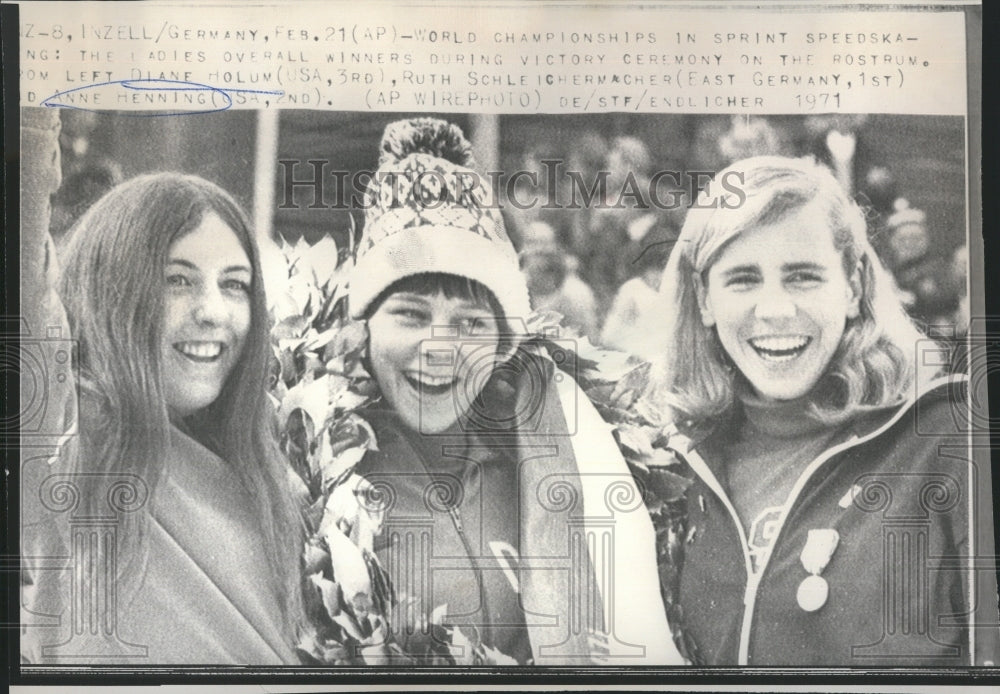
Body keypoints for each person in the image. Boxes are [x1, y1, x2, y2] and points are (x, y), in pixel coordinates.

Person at [340, 118, 681, 665]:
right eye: (410, 314)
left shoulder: (548, 445)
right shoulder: (323, 470)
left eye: (471, 323)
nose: (440, 348)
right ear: (362, 325)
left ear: (504, 342)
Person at [650, 155, 998, 665]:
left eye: (803, 276)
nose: (774, 309)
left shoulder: (951, 439)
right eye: (743, 279)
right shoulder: (670, 461)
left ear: (853, 287)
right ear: (704, 299)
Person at [21, 173, 304, 664]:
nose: (212, 311)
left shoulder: (265, 464)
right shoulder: (66, 430)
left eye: (235, 285)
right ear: (110, 289)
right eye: (178, 280)